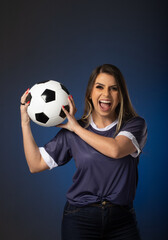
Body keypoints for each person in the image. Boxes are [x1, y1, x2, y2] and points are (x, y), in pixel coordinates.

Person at [20, 64, 147, 240]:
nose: (106, 95)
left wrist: (76, 128)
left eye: (113, 89)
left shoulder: (134, 125)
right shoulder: (72, 131)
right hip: (80, 218)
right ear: (90, 93)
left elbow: (116, 149)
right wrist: (25, 123)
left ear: (121, 95)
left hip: (122, 219)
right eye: (99, 87)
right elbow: (35, 164)